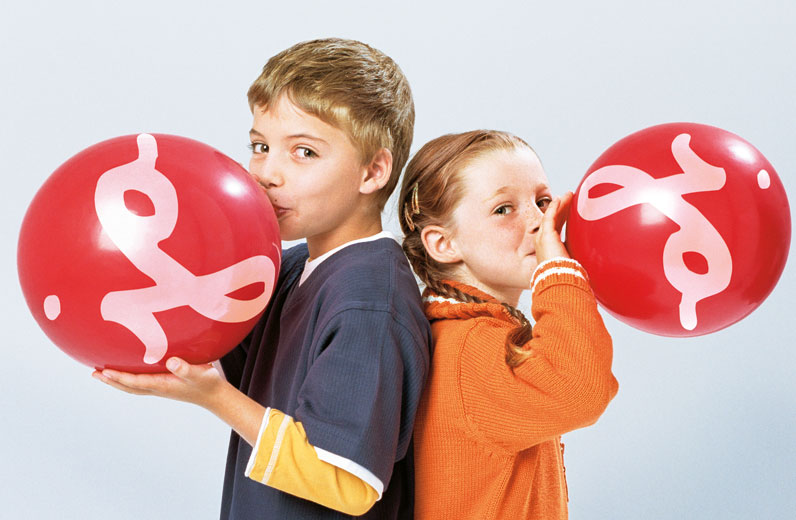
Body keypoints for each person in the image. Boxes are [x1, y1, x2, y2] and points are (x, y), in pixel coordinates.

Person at [94, 38, 431, 519]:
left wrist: (215, 398)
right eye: (260, 146)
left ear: (372, 171)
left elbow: (346, 484)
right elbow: (220, 354)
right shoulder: (289, 266)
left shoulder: (370, 302)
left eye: (304, 152)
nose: (268, 173)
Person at [398, 130, 619, 519]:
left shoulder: (464, 333)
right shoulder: (470, 350)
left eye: (542, 201)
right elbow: (579, 389)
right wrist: (557, 271)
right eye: (503, 209)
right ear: (444, 243)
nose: (538, 221)